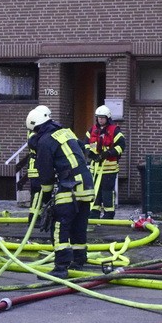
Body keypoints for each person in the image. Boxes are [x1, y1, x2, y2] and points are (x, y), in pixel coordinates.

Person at [26, 105, 94, 278]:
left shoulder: (44, 142)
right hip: (86, 184)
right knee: (79, 224)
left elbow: (46, 174)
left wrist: (46, 198)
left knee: (59, 225)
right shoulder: (66, 132)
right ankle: (78, 261)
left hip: (69, 185)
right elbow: (80, 148)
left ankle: (61, 267)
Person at [84, 105, 126, 219]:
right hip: (95, 167)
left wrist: (108, 153)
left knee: (107, 192)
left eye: (102, 118)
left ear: (107, 118)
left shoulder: (114, 130)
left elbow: (121, 146)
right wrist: (90, 153)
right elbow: (86, 143)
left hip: (109, 168)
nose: (100, 120)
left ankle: (109, 213)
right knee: (95, 190)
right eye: (98, 117)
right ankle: (94, 212)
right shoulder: (92, 130)